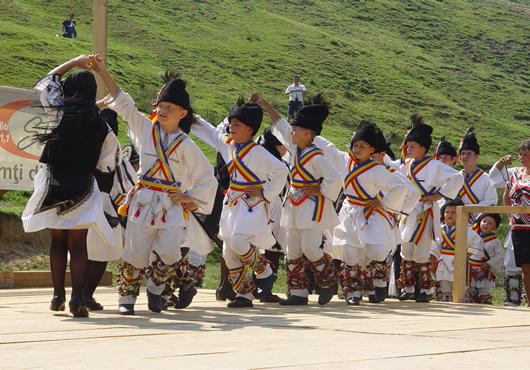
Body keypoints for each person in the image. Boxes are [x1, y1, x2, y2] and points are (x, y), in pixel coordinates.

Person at [90, 57, 217, 315]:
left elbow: (207, 179)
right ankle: (126, 301)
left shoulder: (187, 145)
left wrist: (189, 198)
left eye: (170, 107)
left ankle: (157, 290)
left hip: (171, 205)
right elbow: (123, 101)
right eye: (161, 105)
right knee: (135, 252)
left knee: (170, 252)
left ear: (182, 113)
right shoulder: (145, 129)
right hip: (142, 202)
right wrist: (103, 71)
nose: (164, 110)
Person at [21, 55, 121, 317]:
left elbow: (46, 82)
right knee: (78, 245)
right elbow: (109, 163)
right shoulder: (103, 127)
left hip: (52, 181)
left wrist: (76, 62)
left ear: (69, 90)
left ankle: (57, 297)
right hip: (83, 188)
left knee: (57, 241)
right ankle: (77, 299)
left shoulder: (57, 110)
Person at [191, 99, 288, 308]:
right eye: (231, 124)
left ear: (250, 130)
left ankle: (265, 271)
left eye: (237, 125)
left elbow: (281, 171)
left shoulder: (259, 152)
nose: (231, 128)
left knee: (238, 242)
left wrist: (265, 193)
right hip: (232, 205)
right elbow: (209, 131)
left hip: (252, 205)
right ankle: (244, 294)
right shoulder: (228, 145)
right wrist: (186, 113)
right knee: (229, 252)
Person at [257, 92, 343, 306]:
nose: (291, 133)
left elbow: (336, 178)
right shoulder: (295, 148)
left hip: (312, 208)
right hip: (293, 206)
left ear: (307, 133)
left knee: (311, 248)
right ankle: (298, 292)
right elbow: (281, 125)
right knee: (292, 249)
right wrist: (267, 106)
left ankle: (328, 281)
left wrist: (320, 188)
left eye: (295, 130)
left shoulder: (317, 156)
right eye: (292, 130)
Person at [385, 114, 463, 302]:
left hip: (424, 212)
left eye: (413, 146)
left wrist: (440, 195)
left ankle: (426, 290)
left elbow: (457, 177)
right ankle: (409, 286)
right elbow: (390, 167)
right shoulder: (407, 164)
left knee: (421, 250)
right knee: (406, 250)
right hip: (407, 212)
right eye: (407, 146)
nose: (408, 149)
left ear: (423, 148)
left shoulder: (434, 165)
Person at [490, 140, 530, 307]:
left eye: (526, 154)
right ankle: (529, 302)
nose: (522, 157)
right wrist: (510, 214)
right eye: (520, 154)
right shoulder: (514, 173)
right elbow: (505, 194)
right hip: (519, 227)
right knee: (526, 267)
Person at [429, 199, 483, 302]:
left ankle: (462, 305)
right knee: (444, 287)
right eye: (447, 212)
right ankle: (445, 305)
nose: (450, 214)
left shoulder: (466, 229)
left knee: (460, 287)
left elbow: (477, 242)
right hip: (443, 262)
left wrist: (466, 255)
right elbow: (434, 246)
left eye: (453, 212)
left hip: (460, 262)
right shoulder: (439, 229)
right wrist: (432, 261)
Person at [456, 128, 498, 221]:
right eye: (462, 154)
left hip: (477, 222)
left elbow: (491, 202)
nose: (465, 157)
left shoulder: (486, 178)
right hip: (457, 220)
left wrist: (471, 208)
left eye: (469, 154)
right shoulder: (455, 177)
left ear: (476, 156)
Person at [467, 213, 503, 304]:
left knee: (484, 290)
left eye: (490, 223)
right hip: (469, 268)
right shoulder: (472, 236)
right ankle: (467, 305)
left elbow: (500, 255)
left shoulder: (495, 240)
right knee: (467, 288)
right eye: (484, 221)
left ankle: (486, 305)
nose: (486, 224)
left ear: (495, 227)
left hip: (484, 269)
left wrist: (489, 264)